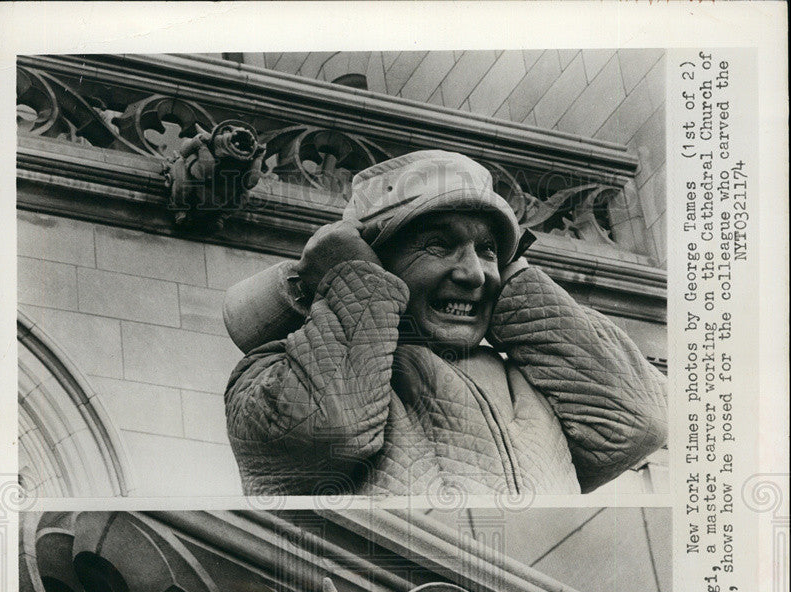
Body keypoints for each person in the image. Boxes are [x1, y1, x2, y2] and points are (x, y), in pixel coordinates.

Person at [224, 150, 667, 497]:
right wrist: (356, 282)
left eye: (489, 250)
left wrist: (515, 288)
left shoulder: (533, 380)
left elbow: (641, 424)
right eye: (439, 244)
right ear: (374, 257)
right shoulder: (271, 373)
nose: (474, 274)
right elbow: (331, 430)